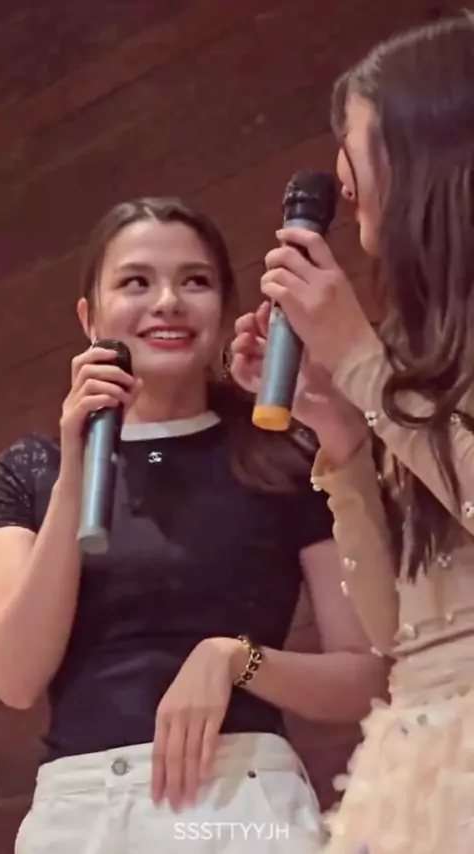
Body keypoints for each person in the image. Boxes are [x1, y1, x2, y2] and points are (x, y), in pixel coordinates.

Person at [0, 197, 386, 854]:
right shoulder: (32, 469)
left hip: (242, 802)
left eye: (195, 281)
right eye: (136, 282)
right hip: (81, 814)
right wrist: (75, 469)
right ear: (90, 318)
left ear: (224, 308)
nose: (168, 302)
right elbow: (15, 676)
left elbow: (364, 676)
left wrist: (236, 660)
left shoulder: (282, 453)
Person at [231, 12, 474, 854]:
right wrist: (341, 438)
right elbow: (390, 628)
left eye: (358, 139)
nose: (338, 178)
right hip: (420, 755)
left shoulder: (384, 362)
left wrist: (362, 365)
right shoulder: (409, 351)